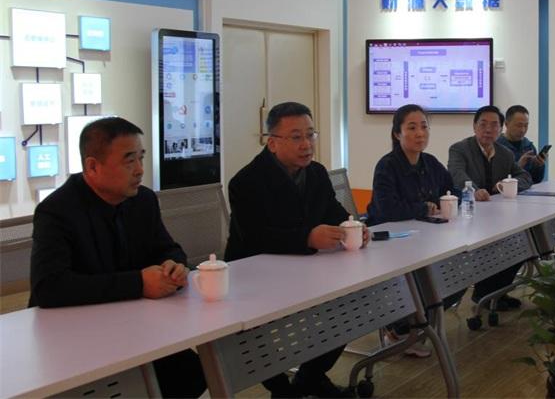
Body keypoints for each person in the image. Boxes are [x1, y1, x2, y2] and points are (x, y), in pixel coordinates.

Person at [29, 117, 207, 398]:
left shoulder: (143, 200)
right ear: (92, 166)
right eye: (129, 161)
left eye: (141, 158)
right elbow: (50, 287)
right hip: (76, 339)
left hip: (135, 326)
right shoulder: (57, 211)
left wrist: (174, 265)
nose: (140, 169)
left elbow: (167, 248)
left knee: (193, 375)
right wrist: (138, 283)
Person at [224, 102, 367, 398]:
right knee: (256, 335)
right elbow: (255, 236)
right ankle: (281, 389)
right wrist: (307, 238)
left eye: (310, 135)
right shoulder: (246, 181)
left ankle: (309, 378)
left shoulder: (316, 173)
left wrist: (352, 226)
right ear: (272, 143)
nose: (306, 144)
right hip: (254, 278)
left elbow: (333, 210)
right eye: (296, 137)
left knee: (352, 305)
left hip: (306, 272)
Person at [366, 104, 464, 357]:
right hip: (388, 241)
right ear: (397, 133)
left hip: (423, 238)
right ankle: (401, 330)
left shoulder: (430, 162)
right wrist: (422, 207)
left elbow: (452, 190)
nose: (420, 133)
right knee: (425, 277)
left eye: (424, 127)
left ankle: (417, 325)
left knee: (458, 273)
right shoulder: (387, 166)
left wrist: (448, 200)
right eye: (412, 127)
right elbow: (387, 210)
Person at [448, 105, 532, 310]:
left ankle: (495, 293)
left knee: (523, 243)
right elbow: (457, 175)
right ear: (474, 126)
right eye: (483, 124)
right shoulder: (459, 149)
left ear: (500, 128)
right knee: (496, 248)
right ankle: (485, 294)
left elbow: (524, 176)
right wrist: (475, 191)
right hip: (468, 217)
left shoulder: (505, 154)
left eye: (494, 125)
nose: (488, 129)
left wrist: (507, 184)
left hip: (497, 217)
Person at [497, 105, 546, 185]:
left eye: (526, 125)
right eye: (519, 125)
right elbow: (496, 181)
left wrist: (539, 166)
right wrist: (518, 166)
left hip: (528, 190)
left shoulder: (529, 147)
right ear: (506, 124)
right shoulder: (497, 147)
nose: (523, 130)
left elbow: (536, 180)